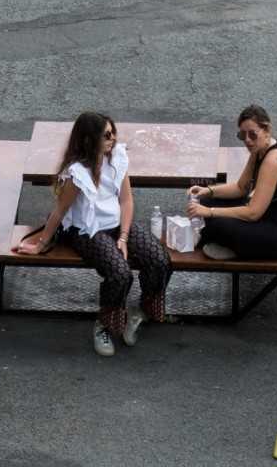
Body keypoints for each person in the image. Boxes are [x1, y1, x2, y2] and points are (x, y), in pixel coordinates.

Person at [13, 113, 171, 356]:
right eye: (107, 135)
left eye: (113, 132)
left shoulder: (117, 157)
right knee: (120, 273)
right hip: (87, 231)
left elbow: (127, 201)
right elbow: (58, 212)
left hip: (117, 225)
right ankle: (104, 324)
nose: (113, 139)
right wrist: (39, 244)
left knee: (159, 260)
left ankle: (140, 311)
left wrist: (124, 237)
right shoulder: (77, 174)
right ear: (89, 140)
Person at [187, 105, 277, 259]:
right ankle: (225, 240)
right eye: (242, 135)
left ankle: (236, 249)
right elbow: (241, 188)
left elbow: (253, 213)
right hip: (271, 213)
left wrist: (210, 212)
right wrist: (208, 190)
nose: (247, 140)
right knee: (206, 201)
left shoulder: (274, 161)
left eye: (252, 135)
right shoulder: (259, 149)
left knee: (217, 222)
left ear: (267, 130)